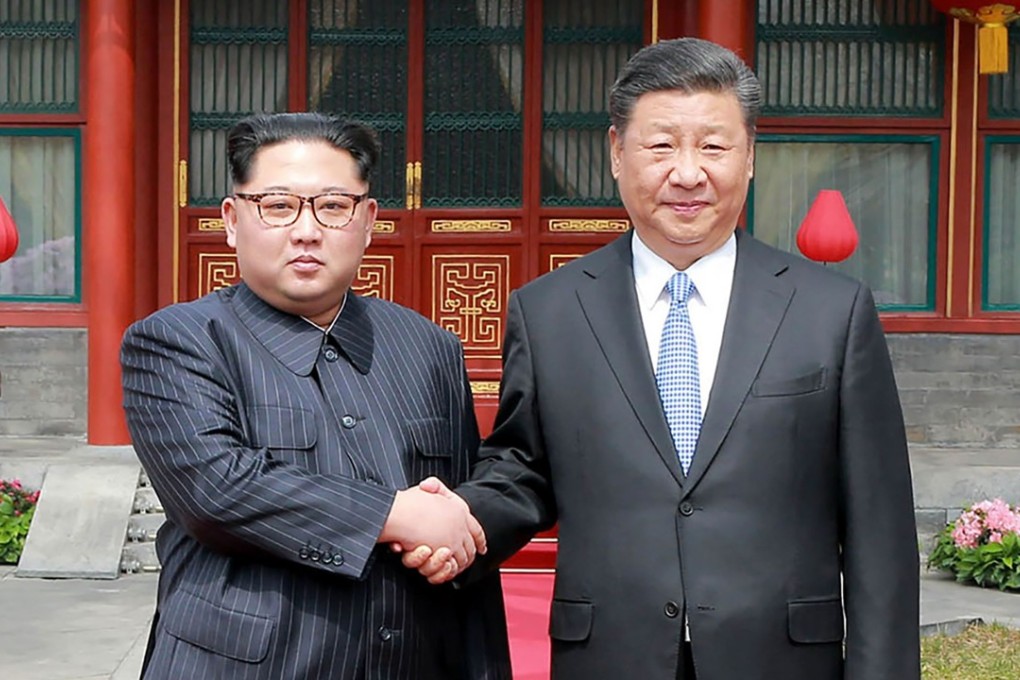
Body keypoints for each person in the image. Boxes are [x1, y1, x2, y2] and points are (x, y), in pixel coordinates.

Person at [407, 38, 921, 679]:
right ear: (617, 154)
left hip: (782, 659)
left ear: (751, 157)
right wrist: (462, 521)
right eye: (661, 146)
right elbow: (523, 469)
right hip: (609, 656)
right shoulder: (550, 312)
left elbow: (881, 531)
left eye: (713, 146)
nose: (687, 172)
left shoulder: (832, 312)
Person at [120, 112, 510, 680]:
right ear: (231, 220)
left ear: (369, 219)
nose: (306, 230)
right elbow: (217, 490)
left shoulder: (429, 347)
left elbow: (457, 523)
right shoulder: (177, 341)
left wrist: (445, 546)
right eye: (277, 206)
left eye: (333, 206)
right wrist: (396, 514)